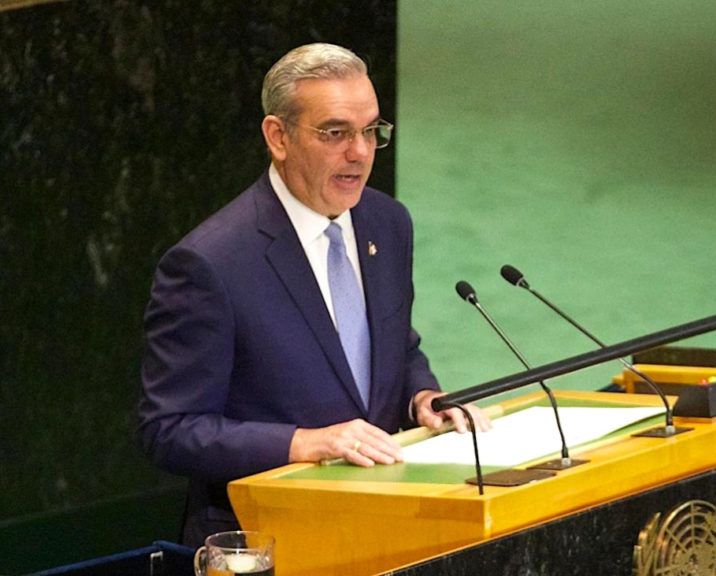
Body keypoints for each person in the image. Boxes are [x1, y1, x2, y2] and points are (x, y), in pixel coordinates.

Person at [136, 42, 490, 546]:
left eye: (371, 131)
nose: (360, 152)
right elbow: (168, 430)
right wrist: (304, 443)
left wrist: (423, 397)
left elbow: (395, 346)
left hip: (390, 526)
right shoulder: (210, 264)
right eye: (336, 133)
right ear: (278, 137)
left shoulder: (387, 223)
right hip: (272, 538)